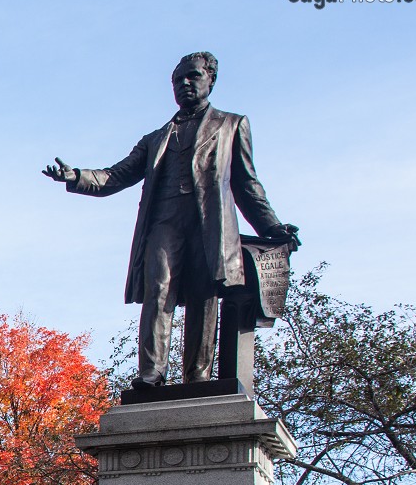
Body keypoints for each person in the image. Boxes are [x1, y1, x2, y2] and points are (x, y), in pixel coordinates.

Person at [43, 51, 299, 388]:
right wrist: (75, 175)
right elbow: (115, 175)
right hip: (164, 221)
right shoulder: (155, 138)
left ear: (211, 79)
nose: (184, 84)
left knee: (203, 296)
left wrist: (272, 228)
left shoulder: (231, 125)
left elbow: (247, 184)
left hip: (210, 224)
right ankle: (152, 372)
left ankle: (198, 375)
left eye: (192, 76)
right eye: (178, 80)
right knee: (158, 288)